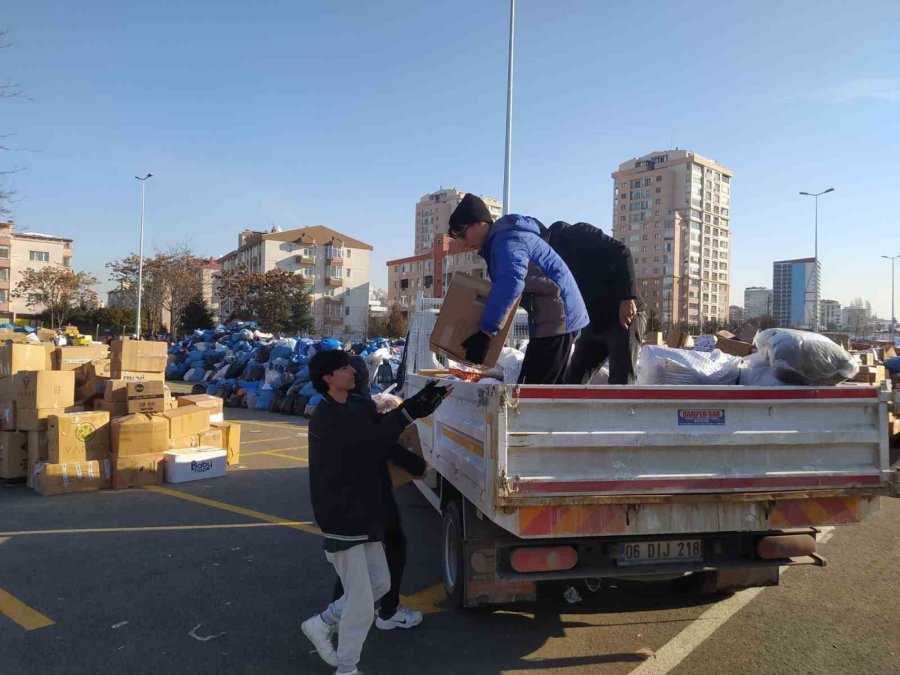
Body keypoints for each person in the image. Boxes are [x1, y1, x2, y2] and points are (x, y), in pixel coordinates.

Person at [301, 349, 450, 675]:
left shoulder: (355, 405)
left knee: (380, 584)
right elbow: (372, 438)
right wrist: (413, 410)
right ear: (328, 378)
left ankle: (322, 622)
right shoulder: (326, 418)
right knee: (360, 599)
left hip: (366, 510)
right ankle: (347, 668)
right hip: (342, 515)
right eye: (343, 368)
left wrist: (424, 401)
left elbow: (380, 427)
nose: (352, 371)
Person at [448, 194, 589, 384]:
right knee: (534, 388)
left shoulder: (508, 242)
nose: (464, 243)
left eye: (462, 233)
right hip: (550, 318)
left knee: (536, 392)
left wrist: (486, 333)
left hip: (559, 317)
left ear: (481, 223)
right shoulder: (503, 240)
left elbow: (511, 283)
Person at [331, 352, 424, 632]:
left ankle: (342, 613)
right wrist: (415, 464)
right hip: (368, 492)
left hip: (344, 492)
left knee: (355, 551)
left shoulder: (336, 404)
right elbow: (382, 444)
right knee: (391, 545)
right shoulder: (357, 408)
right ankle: (386, 612)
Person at [539, 221, 647, 385]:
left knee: (621, 382)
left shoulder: (578, 234)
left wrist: (627, 298)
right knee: (572, 381)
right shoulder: (547, 263)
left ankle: (621, 410)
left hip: (623, 316)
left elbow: (622, 252)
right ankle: (569, 410)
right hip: (595, 323)